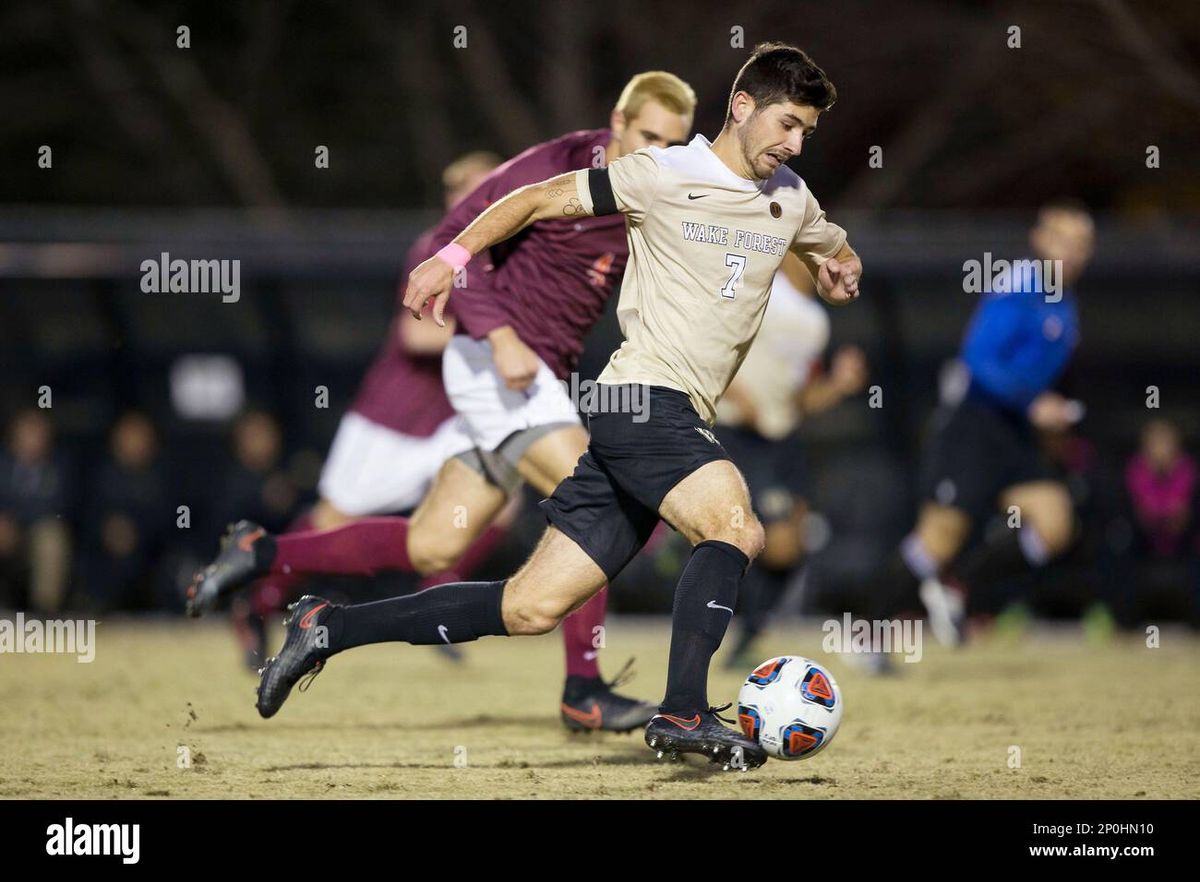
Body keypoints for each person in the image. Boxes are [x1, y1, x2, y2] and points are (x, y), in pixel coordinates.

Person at [250, 42, 859, 771]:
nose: (795, 144)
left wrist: (836, 265)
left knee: (528, 608)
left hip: (666, 416)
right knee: (734, 526)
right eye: (787, 124)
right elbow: (533, 198)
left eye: (807, 133)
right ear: (742, 108)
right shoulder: (660, 173)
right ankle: (685, 711)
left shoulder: (790, 196)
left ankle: (328, 626)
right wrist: (450, 258)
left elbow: (828, 244)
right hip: (642, 398)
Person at [187, 72, 697, 733]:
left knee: (434, 544)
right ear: (618, 120)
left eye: (671, 143)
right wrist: (501, 335)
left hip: (531, 380)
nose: (655, 151)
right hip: (498, 368)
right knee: (597, 499)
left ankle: (279, 569)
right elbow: (448, 240)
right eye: (647, 135)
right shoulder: (557, 165)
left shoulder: (648, 191)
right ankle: (584, 688)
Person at [866, 200, 1095, 655]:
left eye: (1082, 244)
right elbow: (979, 359)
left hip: (1012, 433)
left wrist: (1050, 418)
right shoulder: (1024, 284)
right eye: (1062, 240)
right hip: (972, 427)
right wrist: (1034, 402)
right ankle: (865, 631)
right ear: (1039, 240)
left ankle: (957, 588)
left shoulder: (1064, 303)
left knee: (1054, 521)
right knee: (936, 540)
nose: (1071, 252)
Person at [716, 252, 868, 668]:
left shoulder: (815, 322)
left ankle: (748, 635)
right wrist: (729, 391)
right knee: (764, 540)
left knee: (792, 541)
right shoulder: (757, 294)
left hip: (781, 439)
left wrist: (837, 386)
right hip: (738, 434)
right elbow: (710, 348)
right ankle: (723, 629)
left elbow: (800, 399)